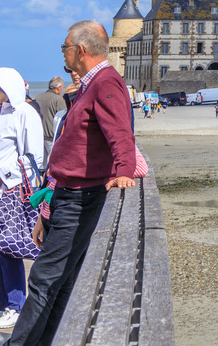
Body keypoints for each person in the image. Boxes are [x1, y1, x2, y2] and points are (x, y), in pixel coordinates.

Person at [7, 22, 137, 346]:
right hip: (67, 194)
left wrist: (125, 169)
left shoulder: (106, 81)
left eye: (64, 47)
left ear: (80, 50)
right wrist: (47, 204)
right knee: (60, 282)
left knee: (43, 279)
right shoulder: (90, 85)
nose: (62, 53)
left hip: (80, 198)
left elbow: (120, 131)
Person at [0, 68, 46, 333]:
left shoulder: (24, 112)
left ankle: (16, 306)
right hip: (4, 190)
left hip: (13, 192)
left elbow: (33, 158)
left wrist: (9, 180)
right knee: (2, 249)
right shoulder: (3, 111)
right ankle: (5, 302)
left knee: (10, 248)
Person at [32, 79, 65, 169]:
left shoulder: (38, 98)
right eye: (62, 87)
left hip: (39, 136)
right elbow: (64, 117)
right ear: (58, 88)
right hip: (51, 136)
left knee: (41, 165)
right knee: (54, 163)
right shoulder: (58, 99)